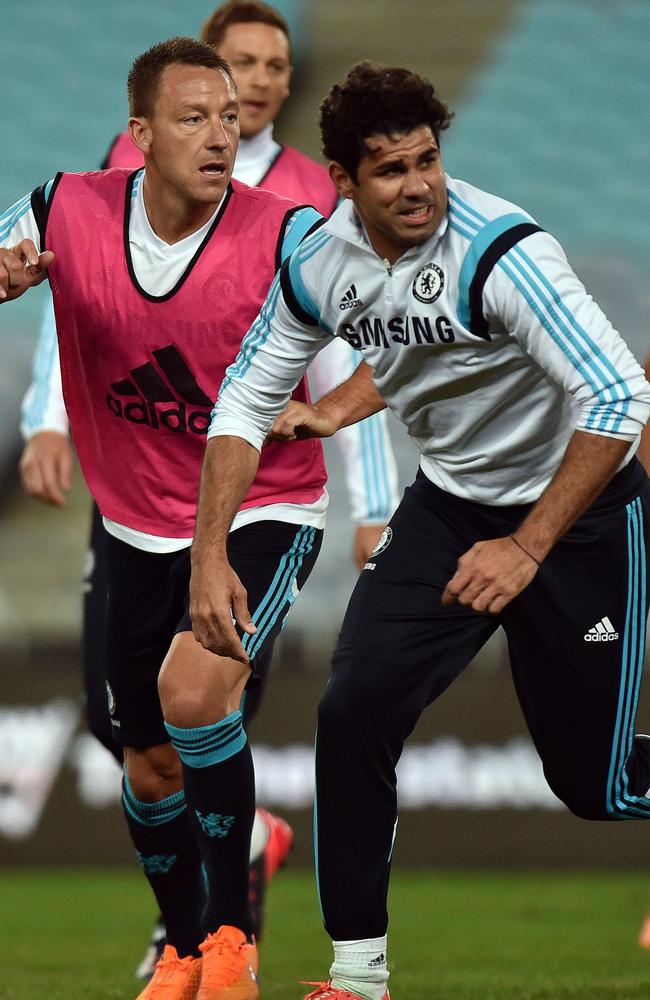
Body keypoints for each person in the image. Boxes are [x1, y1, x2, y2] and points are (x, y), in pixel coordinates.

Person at [188, 62, 650, 1000]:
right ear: (343, 180)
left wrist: (526, 548)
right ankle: (358, 981)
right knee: (351, 712)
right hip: (446, 512)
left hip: (581, 517)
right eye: (390, 169)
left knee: (596, 789)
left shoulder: (504, 250)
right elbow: (247, 395)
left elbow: (618, 395)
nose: (417, 186)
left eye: (428, 162)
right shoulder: (320, 261)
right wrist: (209, 555)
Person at [0, 39, 395, 1000]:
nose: (220, 136)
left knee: (192, 691)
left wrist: (355, 459)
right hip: (134, 522)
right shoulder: (65, 208)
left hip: (265, 502)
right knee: (144, 764)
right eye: (193, 119)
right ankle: (180, 949)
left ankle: (231, 942)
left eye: (228, 118)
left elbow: (406, 339)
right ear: (139, 136)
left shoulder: (289, 235)